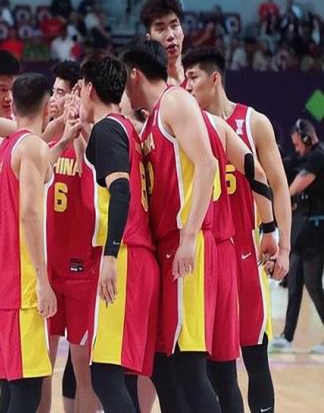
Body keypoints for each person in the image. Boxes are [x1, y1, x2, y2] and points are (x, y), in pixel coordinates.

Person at [183, 47, 291, 413]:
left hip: (244, 248)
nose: (188, 85)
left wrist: (283, 246)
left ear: (215, 79)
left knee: (255, 354)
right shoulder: (188, 124)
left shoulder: (253, 122)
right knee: (212, 364)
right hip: (206, 250)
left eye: (194, 77)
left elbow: (278, 186)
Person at [121, 38, 219, 413]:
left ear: (134, 74)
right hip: (165, 248)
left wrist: (189, 238)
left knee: (189, 365)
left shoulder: (175, 101)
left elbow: (207, 165)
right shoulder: (150, 121)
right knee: (164, 365)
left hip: (186, 243)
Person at [79, 53, 159, 413]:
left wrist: (110, 255)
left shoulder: (108, 129)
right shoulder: (126, 128)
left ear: (89, 89)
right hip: (138, 256)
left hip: (124, 256)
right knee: (122, 375)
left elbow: (122, 190)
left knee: (105, 374)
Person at [0, 73, 63, 413]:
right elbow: (30, 214)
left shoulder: (5, 149)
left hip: (1, 285)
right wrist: (43, 281)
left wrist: (64, 138)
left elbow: (39, 167)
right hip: (22, 288)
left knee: (12, 391)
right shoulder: (31, 147)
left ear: (13, 107)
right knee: (27, 394)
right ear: (47, 108)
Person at [38, 60, 99, 413]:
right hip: (47, 270)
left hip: (82, 270)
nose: (55, 98)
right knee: (40, 367)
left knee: (83, 369)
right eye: (54, 91)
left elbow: (90, 171)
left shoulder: (92, 136)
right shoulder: (44, 137)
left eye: (62, 92)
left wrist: (78, 127)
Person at [272, 119, 324, 354]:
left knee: (313, 285)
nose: (297, 149)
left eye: (297, 145)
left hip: (316, 230)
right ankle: (287, 335)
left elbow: (295, 187)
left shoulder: (318, 157)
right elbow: (292, 165)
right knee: (293, 283)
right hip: (303, 229)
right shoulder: (307, 158)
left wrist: (282, 195)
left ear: (306, 138)